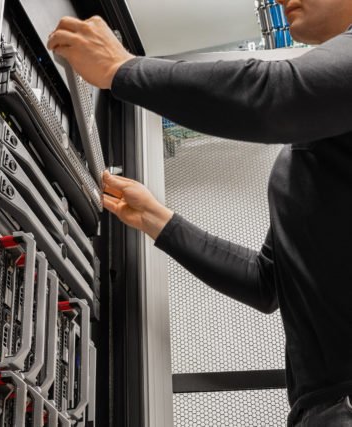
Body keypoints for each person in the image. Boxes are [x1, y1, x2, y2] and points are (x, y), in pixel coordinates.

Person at [47, 0, 352, 425]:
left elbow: (276, 96)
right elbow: (268, 282)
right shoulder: (317, 149)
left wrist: (124, 69)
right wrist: (158, 219)